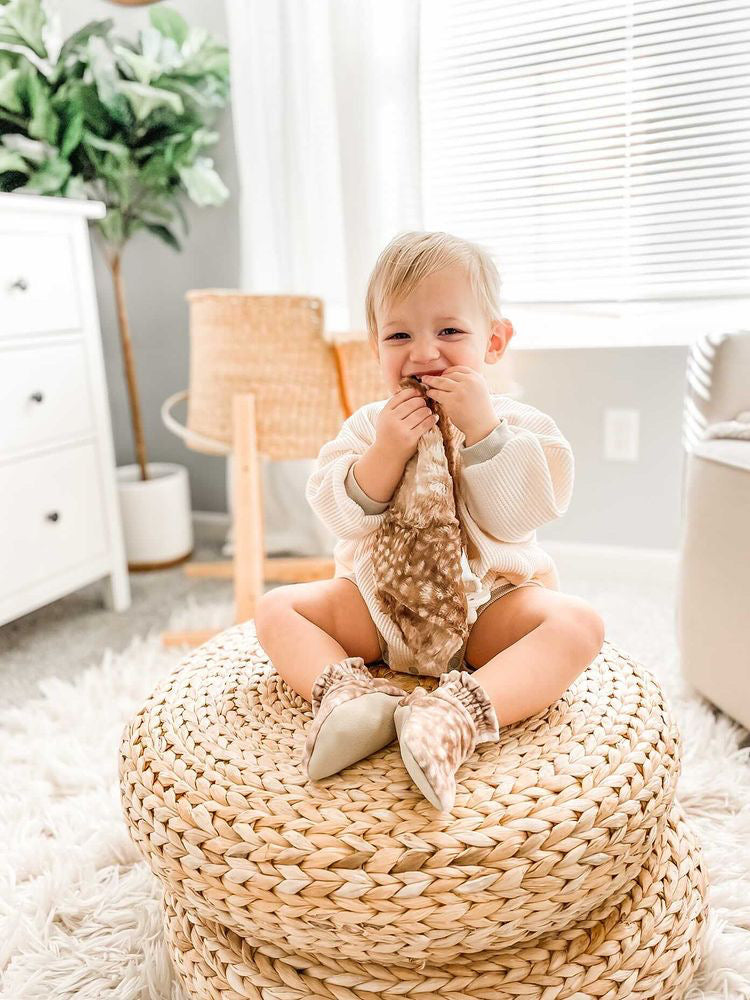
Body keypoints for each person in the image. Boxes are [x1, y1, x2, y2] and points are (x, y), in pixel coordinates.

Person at [254, 230, 605, 811]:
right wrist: (385, 453)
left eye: (449, 331)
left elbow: (523, 514)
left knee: (578, 624)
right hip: (381, 608)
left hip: (486, 610)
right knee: (274, 608)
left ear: (494, 341)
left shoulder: (519, 424)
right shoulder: (371, 425)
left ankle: (456, 715)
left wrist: (486, 433)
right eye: (399, 335)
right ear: (376, 347)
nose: (423, 353)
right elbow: (338, 514)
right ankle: (349, 700)